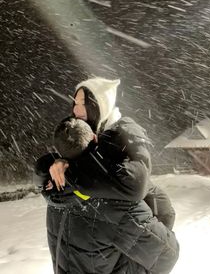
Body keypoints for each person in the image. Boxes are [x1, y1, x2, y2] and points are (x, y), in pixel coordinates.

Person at [35, 77, 179, 273]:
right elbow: (165, 246)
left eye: (84, 103)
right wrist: (57, 163)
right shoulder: (64, 176)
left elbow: (139, 186)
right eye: (75, 103)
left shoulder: (67, 184)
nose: (76, 110)